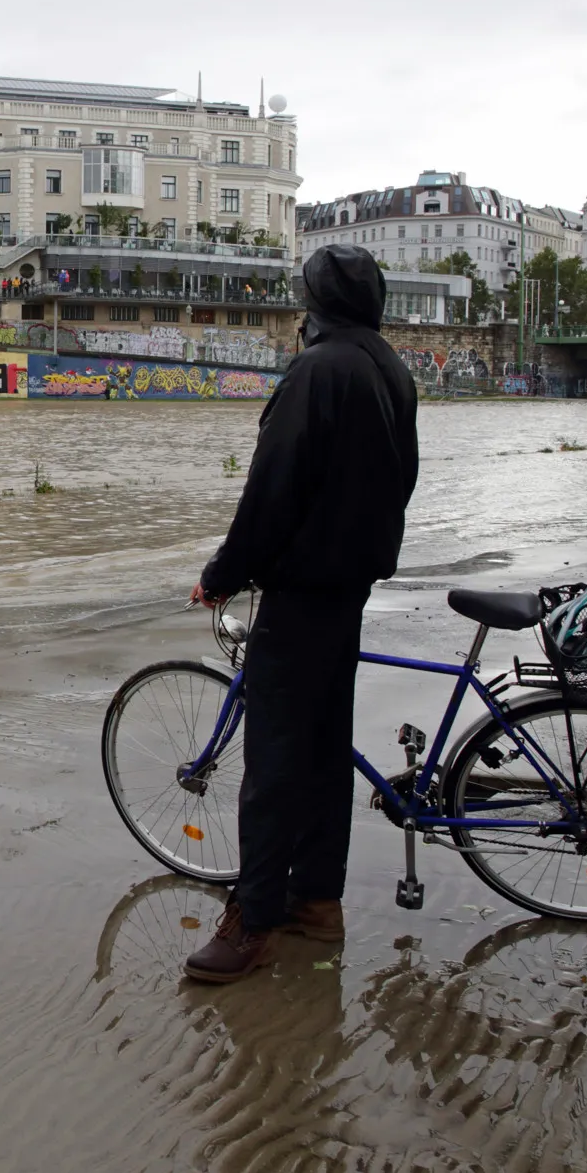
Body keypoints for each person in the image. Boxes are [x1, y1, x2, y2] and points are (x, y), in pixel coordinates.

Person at [182, 244, 419, 984]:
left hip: (303, 588)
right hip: (349, 584)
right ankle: (317, 904)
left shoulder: (317, 371)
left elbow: (272, 490)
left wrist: (224, 573)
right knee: (321, 754)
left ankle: (253, 920)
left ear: (312, 305)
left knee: (276, 763)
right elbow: (400, 478)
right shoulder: (388, 367)